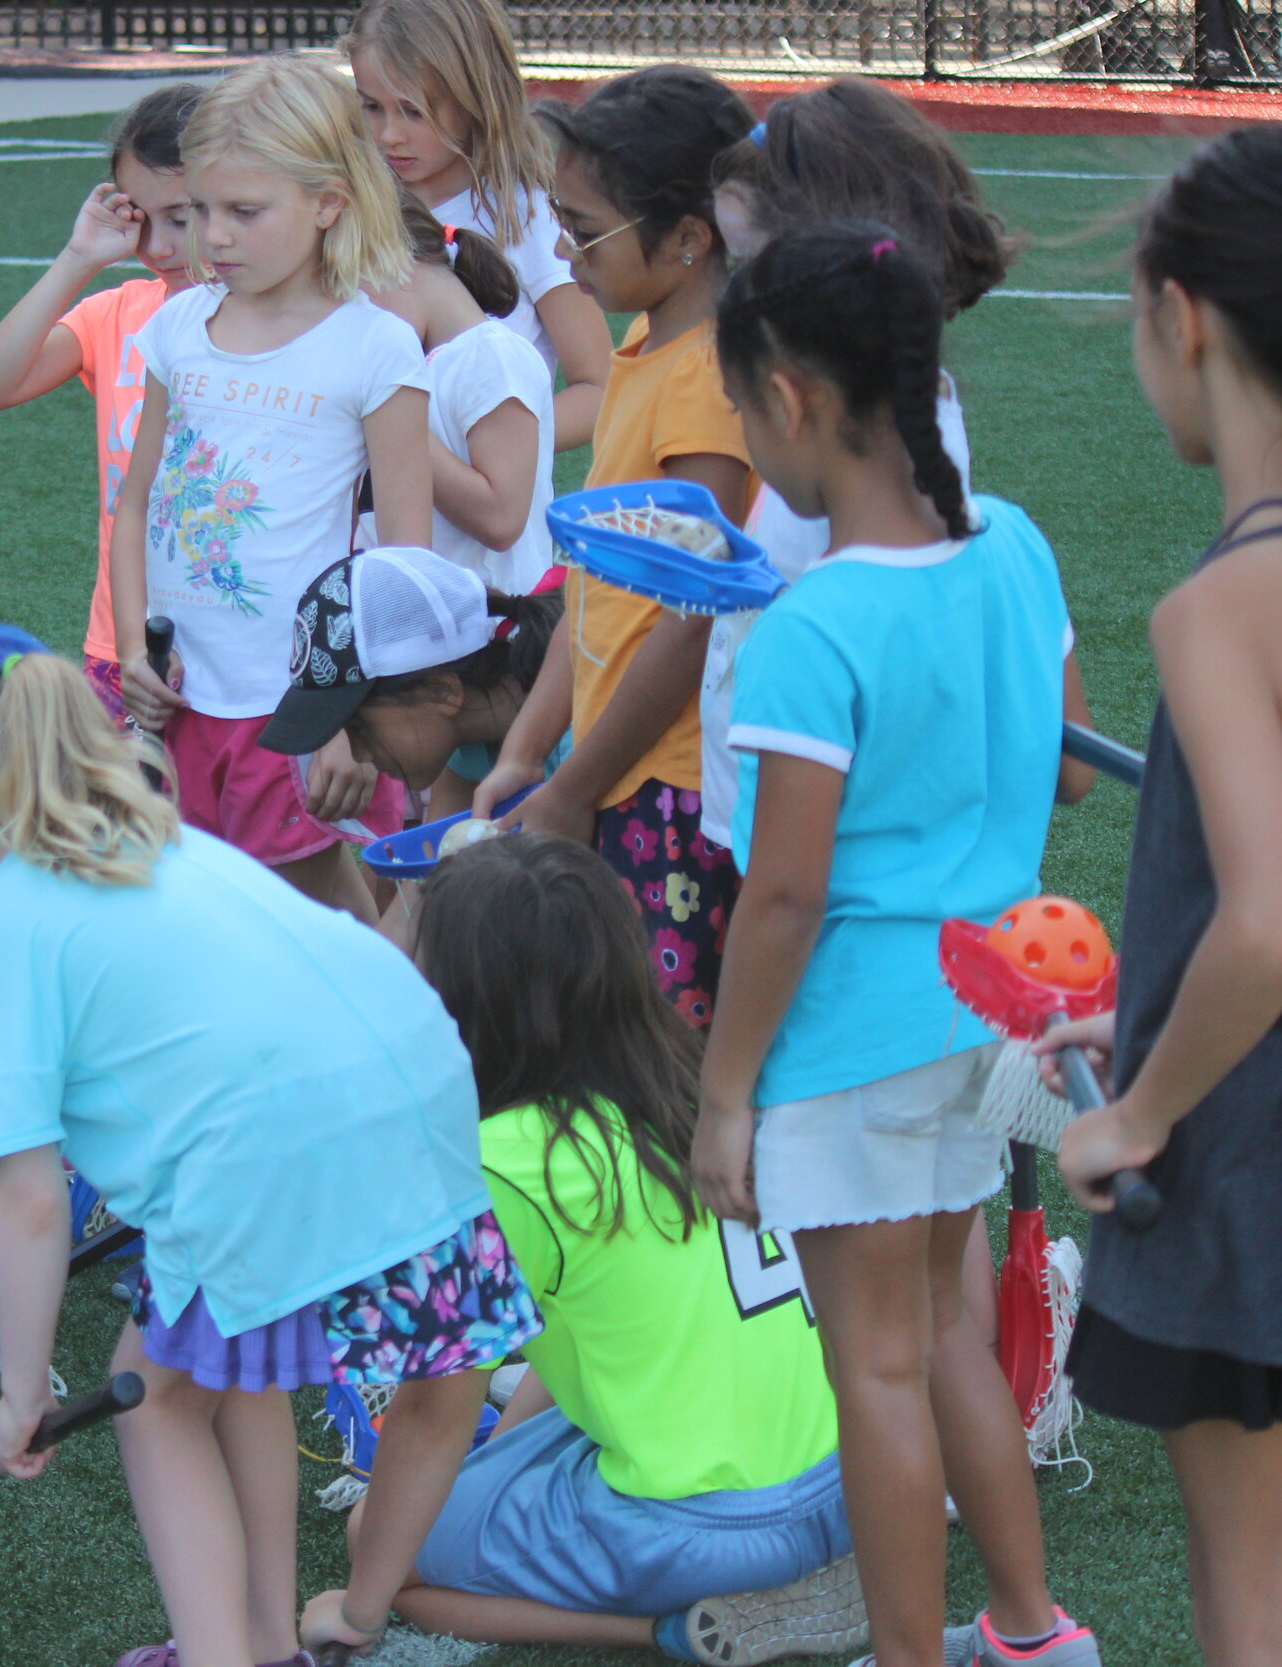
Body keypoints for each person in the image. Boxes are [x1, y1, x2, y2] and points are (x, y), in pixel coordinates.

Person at [0, 624, 540, 1667]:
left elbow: (31, 1195)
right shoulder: (170, 842)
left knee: (156, 1400)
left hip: (269, 1154)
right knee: (225, 1371)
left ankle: (225, 1653)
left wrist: (22, 1392)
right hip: (422, 1097)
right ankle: (266, 1642)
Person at [692, 222, 1098, 1667]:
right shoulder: (1022, 546)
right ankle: (1035, 1631)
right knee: (943, 1325)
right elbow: (1055, 766)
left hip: (853, 1033)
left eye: (743, 407)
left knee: (873, 1359)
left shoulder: (816, 621)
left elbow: (785, 895)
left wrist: (727, 1089)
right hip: (989, 1017)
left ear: (791, 400)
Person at [315, 832, 860, 1664]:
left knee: (385, 1547)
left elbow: (431, 1414)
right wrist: (490, 1471)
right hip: (850, 1473)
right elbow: (579, 1326)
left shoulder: (501, 1159)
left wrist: (358, 1611)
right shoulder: (686, 1072)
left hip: (715, 1527)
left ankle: (671, 1629)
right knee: (480, 1474)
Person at [1034, 127, 1282, 1667]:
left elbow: (1267, 919)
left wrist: (1135, 1108)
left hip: (1246, 1173)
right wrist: (1170, 991)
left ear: (1181, 318)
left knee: (1250, 1586)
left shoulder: (1219, 602)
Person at [112, 54, 432, 925]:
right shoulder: (177, 327)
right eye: (201, 210)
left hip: (294, 710)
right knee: (202, 921)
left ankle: (398, 1049)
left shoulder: (375, 349)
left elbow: (404, 564)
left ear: (327, 202)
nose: (212, 236)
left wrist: (345, 716)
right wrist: (134, 653)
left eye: (243, 212)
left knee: (315, 923)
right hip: (178, 699)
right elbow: (138, 500)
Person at [472, 66, 756, 1031]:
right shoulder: (642, 348)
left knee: (667, 1067)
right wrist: (525, 752)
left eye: (584, 226)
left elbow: (691, 621)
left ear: (689, 237)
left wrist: (575, 785)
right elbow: (593, 594)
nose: (562, 244)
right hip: (605, 769)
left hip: (670, 789)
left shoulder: (712, 380)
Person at [698, 77, 1028, 864]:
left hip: (799, 854)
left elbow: (788, 892)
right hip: (772, 825)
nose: (734, 302)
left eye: (750, 267)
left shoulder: (849, 484)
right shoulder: (889, 432)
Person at [0, 83, 207, 719]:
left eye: (181, 219)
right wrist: (80, 258)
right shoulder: (118, 314)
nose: (156, 247)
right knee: (118, 817)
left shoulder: (278, 331)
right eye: (141, 221)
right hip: (120, 644)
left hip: (239, 646)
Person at [340, 0, 610, 449]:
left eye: (414, 110)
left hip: (482, 507)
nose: (389, 134)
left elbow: (598, 388)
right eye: (372, 106)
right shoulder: (348, 202)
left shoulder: (524, 216)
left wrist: (492, 446)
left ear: (476, 96)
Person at [257, 545, 560, 944]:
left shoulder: (577, 734)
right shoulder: (471, 747)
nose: (358, 755)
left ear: (442, 691)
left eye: (360, 728)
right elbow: (422, 896)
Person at [366, 190, 559, 597]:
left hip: (490, 631)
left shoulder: (490, 356)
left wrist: (386, 417)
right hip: (425, 621)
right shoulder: (418, 363)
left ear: (396, 264)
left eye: (347, 292)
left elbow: (501, 518)